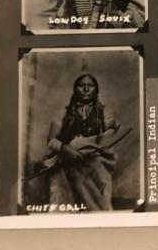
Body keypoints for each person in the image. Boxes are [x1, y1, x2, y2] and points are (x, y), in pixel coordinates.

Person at [45, 73, 119, 210]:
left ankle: (98, 212)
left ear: (96, 90)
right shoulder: (64, 112)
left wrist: (86, 147)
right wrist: (66, 150)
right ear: (75, 89)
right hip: (67, 157)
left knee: (98, 172)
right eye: (81, 86)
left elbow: (109, 137)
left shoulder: (105, 112)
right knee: (61, 173)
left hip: (96, 158)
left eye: (90, 86)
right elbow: (51, 141)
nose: (86, 89)